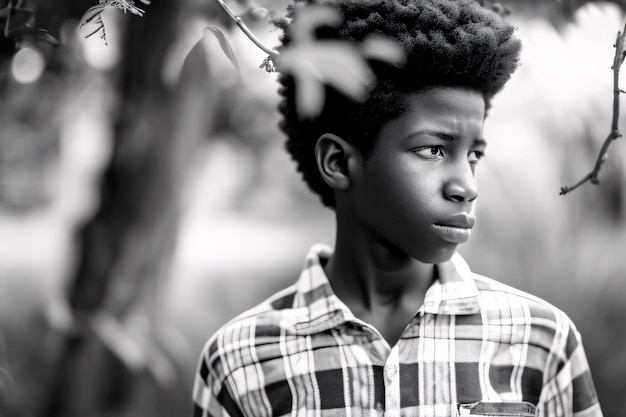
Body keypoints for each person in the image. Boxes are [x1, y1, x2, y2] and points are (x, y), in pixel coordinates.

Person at [192, 0, 603, 415]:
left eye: (473, 155)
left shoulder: (541, 339)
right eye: (433, 149)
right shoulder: (240, 361)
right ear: (338, 162)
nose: (466, 186)